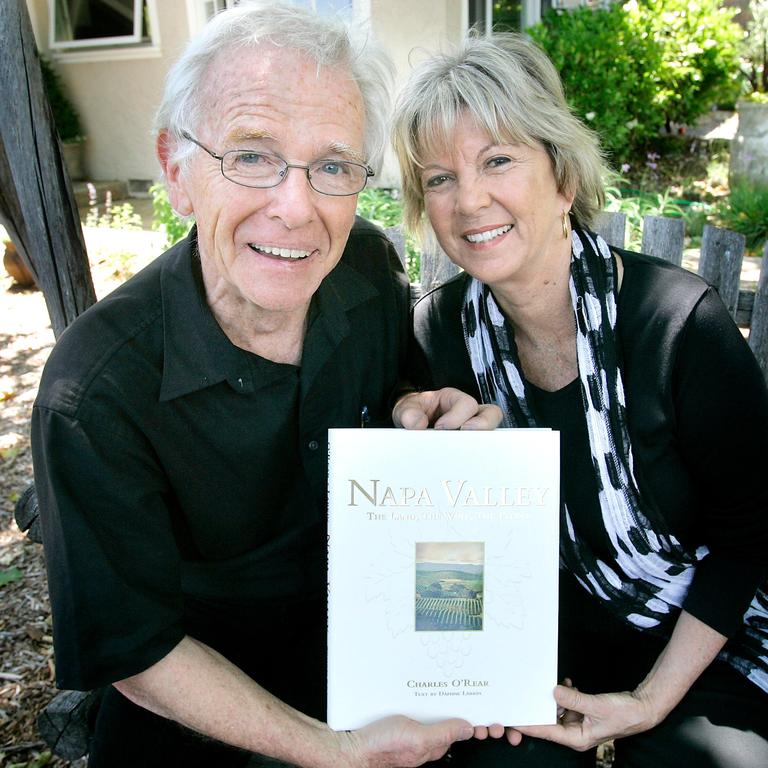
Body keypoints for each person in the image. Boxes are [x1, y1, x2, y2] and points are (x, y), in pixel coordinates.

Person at [31, 4, 498, 766]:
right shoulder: (94, 393)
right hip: (200, 703)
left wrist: (423, 413)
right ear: (177, 171)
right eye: (252, 156)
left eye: (333, 166)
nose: (296, 206)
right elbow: (139, 653)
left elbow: (402, 399)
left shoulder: (367, 274)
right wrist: (336, 751)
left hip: (373, 653)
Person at [391, 32, 768, 768]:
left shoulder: (676, 324)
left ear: (562, 176)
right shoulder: (438, 332)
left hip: (698, 641)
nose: (469, 200)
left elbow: (750, 537)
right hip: (530, 651)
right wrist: (417, 443)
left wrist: (649, 702)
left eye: (498, 160)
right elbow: (441, 549)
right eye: (439, 178)